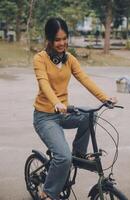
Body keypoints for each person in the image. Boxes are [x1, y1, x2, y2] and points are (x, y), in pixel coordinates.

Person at [33, 17, 117, 200]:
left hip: (64, 113)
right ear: (49, 39)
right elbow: (44, 83)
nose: (62, 43)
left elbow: (85, 79)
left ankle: (78, 153)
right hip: (45, 116)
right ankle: (47, 193)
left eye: (65, 38)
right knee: (63, 157)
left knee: (89, 115)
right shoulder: (40, 59)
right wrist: (56, 102)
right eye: (57, 39)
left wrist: (105, 98)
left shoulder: (69, 59)